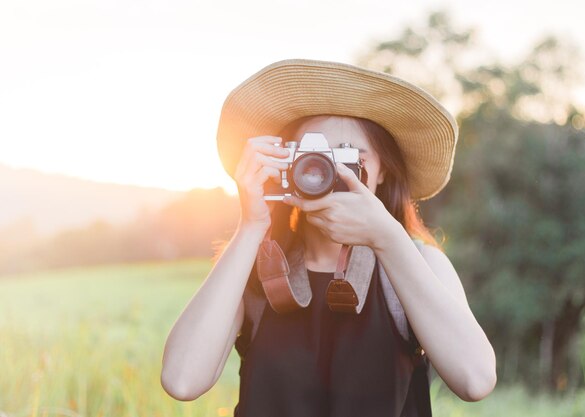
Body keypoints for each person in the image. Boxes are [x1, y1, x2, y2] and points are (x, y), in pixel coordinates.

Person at [160, 59, 497, 416]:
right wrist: (250, 228)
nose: (327, 173)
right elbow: (182, 380)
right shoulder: (253, 267)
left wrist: (387, 238)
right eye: (312, 158)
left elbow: (475, 380)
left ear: (382, 171)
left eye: (349, 157)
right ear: (284, 166)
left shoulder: (419, 262)